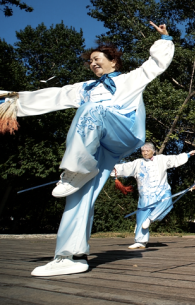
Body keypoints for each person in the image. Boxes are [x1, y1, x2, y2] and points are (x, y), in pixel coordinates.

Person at [0, 22, 174, 277]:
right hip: (96, 147)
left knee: (92, 109)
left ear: (113, 61)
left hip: (122, 133)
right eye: (90, 61)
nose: (92, 64)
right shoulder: (85, 89)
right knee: (78, 197)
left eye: (97, 59)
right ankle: (70, 255)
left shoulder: (129, 80)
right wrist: (8, 101)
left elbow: (155, 65)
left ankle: (76, 169)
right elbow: (52, 96)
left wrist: (165, 39)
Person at [111, 143, 195, 249]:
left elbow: (174, 159)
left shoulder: (161, 159)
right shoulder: (137, 163)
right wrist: (108, 168)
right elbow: (124, 167)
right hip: (146, 195)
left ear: (153, 151)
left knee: (167, 201)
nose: (145, 153)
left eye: (147, 151)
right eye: (143, 151)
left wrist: (187, 155)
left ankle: (151, 219)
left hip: (161, 191)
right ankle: (140, 241)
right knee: (141, 219)